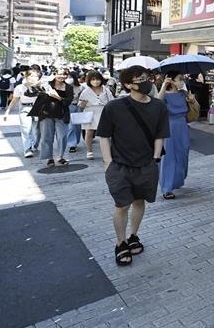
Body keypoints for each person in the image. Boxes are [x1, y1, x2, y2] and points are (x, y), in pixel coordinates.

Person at [97, 65, 169, 266]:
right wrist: (108, 162)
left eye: (147, 77)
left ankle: (133, 236)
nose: (146, 82)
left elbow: (159, 135)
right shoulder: (114, 107)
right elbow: (104, 136)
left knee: (139, 202)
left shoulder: (158, 106)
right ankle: (120, 243)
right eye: (140, 79)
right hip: (119, 166)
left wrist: (155, 159)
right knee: (122, 205)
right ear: (128, 84)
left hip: (146, 165)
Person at [158, 71, 193, 200]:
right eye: (179, 79)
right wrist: (163, 86)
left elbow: (193, 109)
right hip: (170, 127)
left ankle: (177, 181)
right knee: (169, 157)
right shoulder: (165, 95)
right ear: (171, 80)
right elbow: (156, 102)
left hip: (183, 125)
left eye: (182, 79)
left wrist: (192, 101)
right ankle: (167, 188)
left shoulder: (183, 93)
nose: (182, 81)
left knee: (183, 153)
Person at [37, 68, 74, 167]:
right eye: (59, 74)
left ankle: (60, 156)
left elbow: (68, 102)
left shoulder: (69, 87)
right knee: (46, 136)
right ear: (54, 74)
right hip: (47, 114)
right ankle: (49, 158)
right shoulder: (47, 85)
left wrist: (58, 97)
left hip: (61, 114)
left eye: (64, 74)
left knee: (62, 136)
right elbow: (37, 96)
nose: (62, 76)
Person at [3, 70, 42, 157]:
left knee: (36, 130)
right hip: (25, 108)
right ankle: (27, 149)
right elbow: (14, 101)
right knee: (26, 129)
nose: (33, 78)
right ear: (26, 77)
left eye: (35, 76)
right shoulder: (19, 87)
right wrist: (7, 112)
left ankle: (34, 145)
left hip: (37, 109)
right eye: (31, 76)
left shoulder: (40, 87)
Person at [78, 70, 115, 159]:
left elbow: (112, 101)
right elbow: (80, 104)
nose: (96, 81)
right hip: (90, 112)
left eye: (97, 79)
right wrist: (85, 103)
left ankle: (107, 152)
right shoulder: (86, 91)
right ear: (89, 80)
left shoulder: (106, 90)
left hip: (103, 112)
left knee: (105, 134)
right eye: (93, 79)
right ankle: (89, 151)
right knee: (89, 132)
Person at [65, 71, 84, 153]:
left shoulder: (80, 87)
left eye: (70, 77)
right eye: (67, 77)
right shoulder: (65, 87)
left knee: (77, 126)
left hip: (78, 107)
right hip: (69, 106)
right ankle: (72, 144)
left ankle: (76, 141)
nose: (69, 79)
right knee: (71, 126)